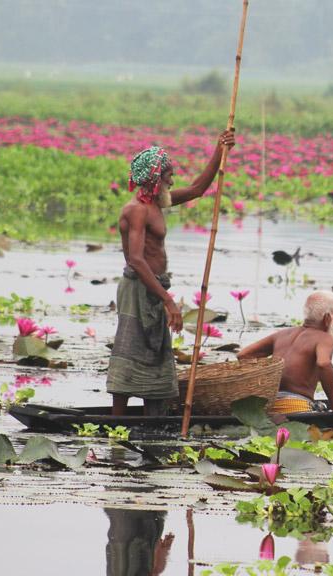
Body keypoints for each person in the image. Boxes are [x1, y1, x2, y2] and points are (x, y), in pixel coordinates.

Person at [106, 130, 235, 416]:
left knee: (156, 349)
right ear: (155, 178)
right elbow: (137, 261)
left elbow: (197, 189)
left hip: (155, 286)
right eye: (168, 176)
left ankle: (154, 418)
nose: (172, 181)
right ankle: (117, 422)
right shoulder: (136, 210)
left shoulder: (156, 204)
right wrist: (167, 299)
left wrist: (220, 149)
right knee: (131, 349)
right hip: (139, 288)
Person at [237, 291, 333, 424]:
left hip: (268, 407)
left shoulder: (282, 334)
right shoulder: (324, 338)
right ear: (328, 318)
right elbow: (323, 364)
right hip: (296, 407)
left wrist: (263, 382)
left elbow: (244, 355)